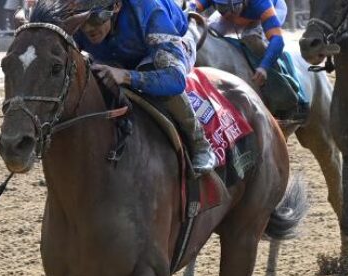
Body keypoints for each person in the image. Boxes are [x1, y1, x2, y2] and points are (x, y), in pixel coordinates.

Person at [74, 0, 216, 174]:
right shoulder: (72, 13)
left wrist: (125, 76)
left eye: (95, 19)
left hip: (166, 47)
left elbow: (175, 80)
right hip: (117, 52)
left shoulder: (149, 10)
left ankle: (199, 143)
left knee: (151, 67)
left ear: (116, 6)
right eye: (81, 20)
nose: (88, 29)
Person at [186, 0, 285, 87]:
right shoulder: (230, 12)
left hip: (265, 11)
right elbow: (190, 8)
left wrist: (264, 67)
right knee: (210, 31)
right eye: (222, 7)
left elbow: (278, 39)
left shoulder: (261, 3)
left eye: (235, 8)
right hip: (243, 12)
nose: (229, 14)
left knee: (252, 38)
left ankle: (282, 82)